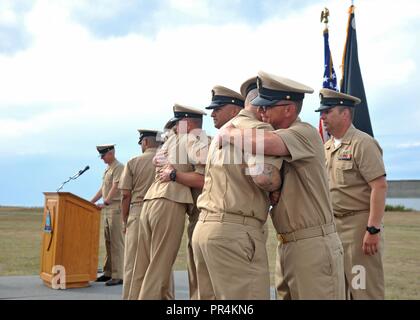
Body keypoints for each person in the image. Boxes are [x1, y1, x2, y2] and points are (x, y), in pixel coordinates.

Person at [221, 71, 345, 299]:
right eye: (260, 106)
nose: (261, 112)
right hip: (287, 244)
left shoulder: (303, 132)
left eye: (267, 107)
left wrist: (229, 132)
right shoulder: (283, 138)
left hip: (312, 244)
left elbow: (262, 143)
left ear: (289, 109)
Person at [192, 81, 282, 300]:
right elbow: (263, 177)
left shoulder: (223, 133)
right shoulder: (258, 130)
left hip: (205, 229)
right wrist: (278, 184)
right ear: (262, 105)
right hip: (234, 234)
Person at [130, 104, 209, 299]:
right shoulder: (192, 138)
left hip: (150, 201)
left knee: (143, 265)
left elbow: (157, 160)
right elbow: (205, 170)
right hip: (170, 201)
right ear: (191, 124)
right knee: (159, 266)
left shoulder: (168, 142)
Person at [316, 88, 387, 299]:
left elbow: (379, 186)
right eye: (322, 112)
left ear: (345, 113)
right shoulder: (327, 147)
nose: (322, 116)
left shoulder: (363, 143)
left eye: (328, 111)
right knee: (340, 289)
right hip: (334, 228)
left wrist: (372, 229)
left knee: (363, 287)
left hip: (358, 228)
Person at [118, 130, 161, 299]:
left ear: (145, 142)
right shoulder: (169, 161)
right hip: (161, 212)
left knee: (133, 264)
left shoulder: (134, 162)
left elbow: (125, 195)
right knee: (158, 261)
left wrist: (124, 220)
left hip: (138, 211)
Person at [90, 144, 125, 286]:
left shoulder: (119, 167)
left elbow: (116, 187)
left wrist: (106, 202)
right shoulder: (108, 169)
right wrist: (90, 202)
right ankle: (108, 272)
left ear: (111, 153)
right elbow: (103, 188)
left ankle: (119, 275)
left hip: (115, 208)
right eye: (101, 156)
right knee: (108, 242)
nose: (102, 158)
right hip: (108, 208)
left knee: (117, 242)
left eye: (104, 155)